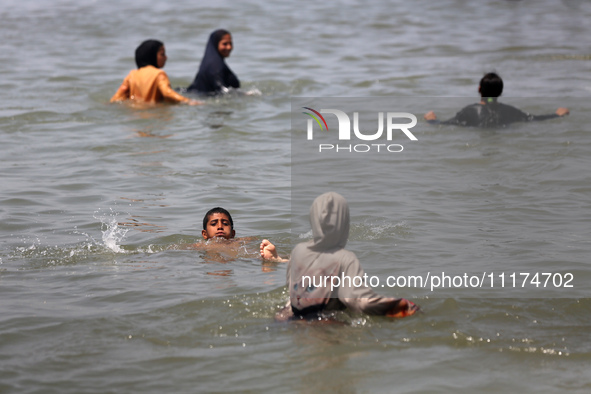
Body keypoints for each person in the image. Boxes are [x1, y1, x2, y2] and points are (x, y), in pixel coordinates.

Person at [262, 192, 419, 321]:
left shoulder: (298, 251)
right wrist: (399, 305)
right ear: (345, 225)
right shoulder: (345, 259)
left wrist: (278, 261)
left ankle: (278, 260)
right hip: (319, 326)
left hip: (283, 319)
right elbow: (357, 302)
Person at [424, 72, 569, 127]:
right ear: (501, 92)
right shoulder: (510, 111)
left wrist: (431, 120)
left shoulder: (469, 111)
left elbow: (446, 124)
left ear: (479, 89)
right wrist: (556, 114)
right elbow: (533, 119)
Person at [111, 39, 201, 105]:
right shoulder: (159, 74)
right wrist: (188, 101)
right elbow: (167, 93)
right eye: (162, 54)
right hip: (154, 114)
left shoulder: (132, 74)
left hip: (135, 114)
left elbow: (117, 97)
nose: (166, 57)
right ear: (151, 56)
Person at [186, 29, 240, 95]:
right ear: (216, 43)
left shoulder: (212, 61)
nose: (229, 47)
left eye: (230, 43)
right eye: (225, 44)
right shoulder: (214, 65)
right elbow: (221, 90)